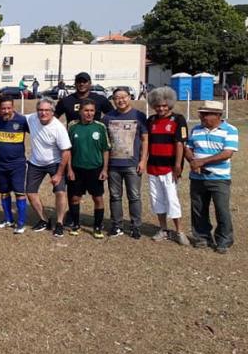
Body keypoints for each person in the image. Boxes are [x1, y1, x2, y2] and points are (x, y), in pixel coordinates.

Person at [184, 101, 238, 254]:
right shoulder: (196, 129)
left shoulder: (229, 130)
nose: (202, 116)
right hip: (197, 177)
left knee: (222, 210)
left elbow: (227, 153)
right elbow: (188, 148)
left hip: (219, 178)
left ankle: (223, 240)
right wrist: (192, 161)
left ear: (218, 115)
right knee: (199, 209)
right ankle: (202, 237)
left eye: (206, 114)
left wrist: (201, 161)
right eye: (202, 113)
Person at [102, 88, 148, 239]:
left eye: (124, 97)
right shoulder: (108, 118)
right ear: (113, 100)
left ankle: (136, 226)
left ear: (129, 97)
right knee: (115, 196)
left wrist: (143, 160)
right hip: (113, 165)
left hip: (132, 164)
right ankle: (117, 225)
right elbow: (105, 142)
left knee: (134, 196)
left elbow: (145, 139)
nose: (121, 100)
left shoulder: (139, 116)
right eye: (117, 98)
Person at [146, 87, 188, 245]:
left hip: (169, 168)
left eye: (164, 105)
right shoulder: (151, 120)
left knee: (172, 200)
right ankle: (163, 229)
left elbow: (180, 144)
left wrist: (178, 165)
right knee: (157, 200)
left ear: (170, 104)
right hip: (153, 167)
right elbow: (146, 142)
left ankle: (179, 231)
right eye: (158, 106)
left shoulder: (178, 119)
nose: (161, 108)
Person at [25, 99, 72, 237]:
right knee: (30, 192)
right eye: (40, 110)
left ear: (52, 112)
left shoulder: (58, 128)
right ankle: (44, 219)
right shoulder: (31, 118)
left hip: (55, 162)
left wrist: (58, 174)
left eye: (47, 110)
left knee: (60, 192)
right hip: (35, 162)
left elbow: (66, 152)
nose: (43, 113)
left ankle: (59, 223)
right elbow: (12, 115)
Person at [66, 100, 111, 238]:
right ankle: (75, 224)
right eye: (86, 110)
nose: (89, 113)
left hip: (95, 169)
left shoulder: (100, 127)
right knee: (74, 198)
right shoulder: (72, 126)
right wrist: (69, 170)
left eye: (92, 110)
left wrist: (104, 169)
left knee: (97, 198)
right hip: (77, 169)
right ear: (80, 111)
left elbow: (105, 149)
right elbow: (67, 149)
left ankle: (97, 226)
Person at [0, 97, 29, 234]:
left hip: (17, 164)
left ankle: (21, 223)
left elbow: (37, 132)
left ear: (13, 107)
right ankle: (8, 219)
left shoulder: (22, 120)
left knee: (19, 193)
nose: (6, 111)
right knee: (4, 192)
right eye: (3, 108)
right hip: (0, 163)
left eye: (8, 108)